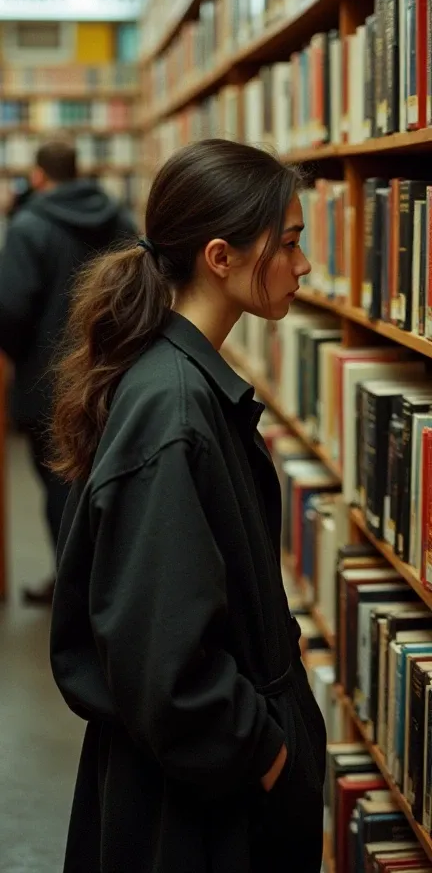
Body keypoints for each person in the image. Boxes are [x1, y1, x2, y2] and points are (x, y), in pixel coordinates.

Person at [50, 139, 326, 873]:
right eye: (290, 243)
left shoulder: (177, 382)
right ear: (220, 256)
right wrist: (266, 754)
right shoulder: (172, 411)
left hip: (197, 791)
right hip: (196, 815)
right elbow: (162, 658)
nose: (305, 266)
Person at [0, 138, 136, 605]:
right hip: (114, 374)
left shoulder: (29, 226)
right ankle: (109, 585)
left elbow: (11, 307)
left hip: (47, 381)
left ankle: (74, 589)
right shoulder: (118, 218)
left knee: (59, 485)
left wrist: (20, 355)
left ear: (39, 176)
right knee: (110, 479)